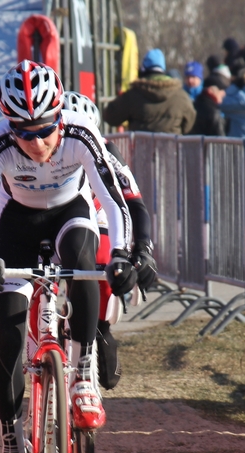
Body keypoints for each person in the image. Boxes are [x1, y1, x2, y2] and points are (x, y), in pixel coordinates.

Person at [0, 60, 137, 453]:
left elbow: (116, 203)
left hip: (69, 215)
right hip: (17, 225)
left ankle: (81, 374)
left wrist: (119, 255)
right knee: (7, 330)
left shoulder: (80, 134)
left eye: (45, 129)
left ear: (60, 116)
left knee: (81, 262)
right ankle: (12, 449)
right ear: (9, 125)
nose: (37, 142)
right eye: (25, 132)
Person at [63, 91, 157, 390]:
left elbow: (135, 204)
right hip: (56, 219)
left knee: (101, 259)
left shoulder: (108, 152)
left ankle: (100, 328)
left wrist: (142, 249)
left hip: (97, 219)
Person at [103, 48, 196, 134]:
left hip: (140, 150)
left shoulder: (133, 95)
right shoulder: (181, 96)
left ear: (143, 69)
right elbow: (189, 124)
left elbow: (110, 116)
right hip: (171, 150)